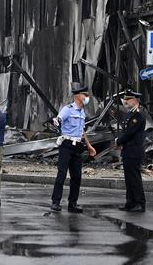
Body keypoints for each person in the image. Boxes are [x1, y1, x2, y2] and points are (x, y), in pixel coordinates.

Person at [50, 84, 97, 213]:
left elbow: (82, 131)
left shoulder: (82, 112)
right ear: (78, 96)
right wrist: (57, 124)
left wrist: (89, 146)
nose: (87, 97)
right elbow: (58, 119)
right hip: (66, 145)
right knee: (62, 173)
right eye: (85, 95)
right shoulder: (68, 109)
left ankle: (73, 203)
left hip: (77, 146)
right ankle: (55, 202)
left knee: (77, 176)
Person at [115, 89, 147, 212]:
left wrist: (119, 141)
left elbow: (130, 133)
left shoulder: (138, 114)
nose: (126, 102)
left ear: (135, 100)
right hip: (128, 150)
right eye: (126, 99)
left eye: (128, 100)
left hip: (134, 151)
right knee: (128, 178)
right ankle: (130, 202)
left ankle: (139, 203)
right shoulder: (130, 113)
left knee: (135, 178)